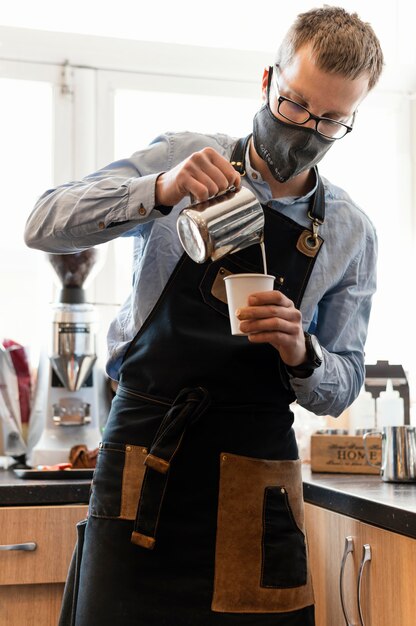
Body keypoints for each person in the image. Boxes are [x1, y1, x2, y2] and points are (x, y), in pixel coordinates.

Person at [24, 6, 384, 625]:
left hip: (258, 483)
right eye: (296, 104)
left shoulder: (349, 232)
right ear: (268, 79)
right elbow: (43, 225)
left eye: (330, 120)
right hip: (142, 460)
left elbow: (342, 382)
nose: (306, 128)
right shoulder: (183, 156)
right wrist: (159, 191)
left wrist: (302, 352)